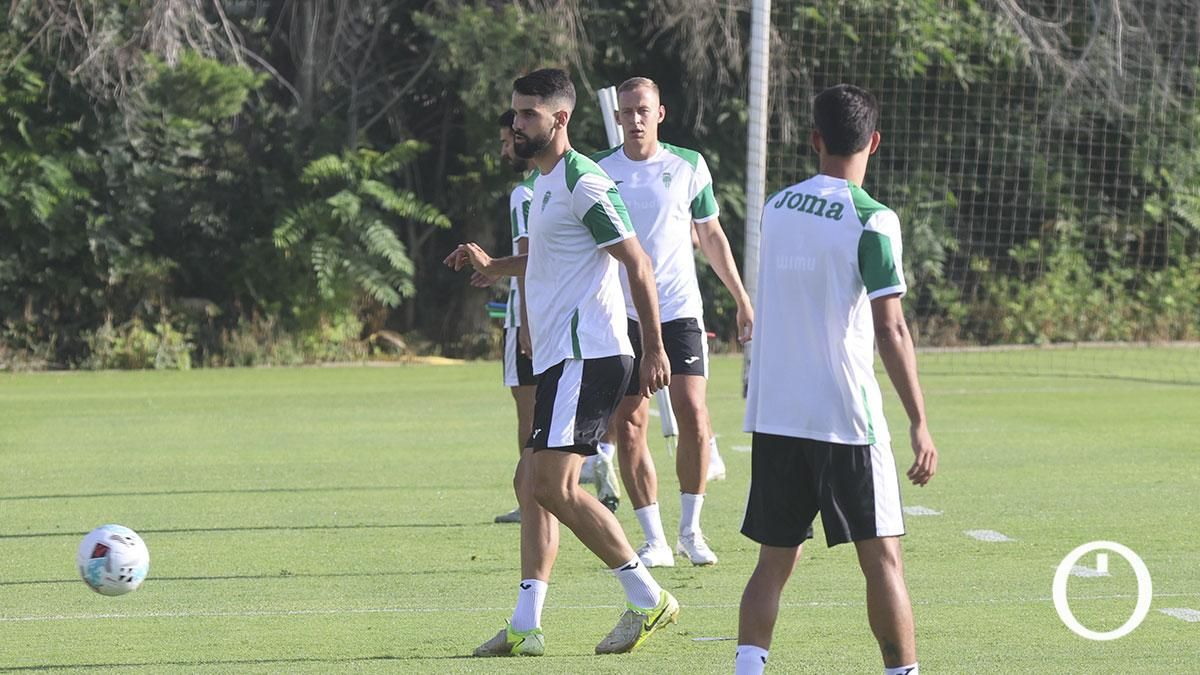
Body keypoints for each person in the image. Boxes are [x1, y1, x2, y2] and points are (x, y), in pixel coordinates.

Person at [444, 68, 679, 657]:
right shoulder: (545, 183)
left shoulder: (583, 182)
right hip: (562, 357)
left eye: (527, 114)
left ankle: (647, 598)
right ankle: (527, 623)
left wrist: (654, 347)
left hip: (589, 353)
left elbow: (638, 263)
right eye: (515, 112)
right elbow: (550, 258)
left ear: (560, 118)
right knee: (534, 483)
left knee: (549, 483)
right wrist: (496, 266)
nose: (517, 123)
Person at [735, 84, 938, 675]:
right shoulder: (873, 220)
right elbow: (891, 328)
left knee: (774, 561)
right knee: (883, 562)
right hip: (846, 418)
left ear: (816, 140)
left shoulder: (775, 208)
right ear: (873, 142)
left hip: (774, 413)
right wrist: (920, 421)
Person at [592, 77, 753, 567]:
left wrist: (742, 299)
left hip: (681, 310)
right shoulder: (599, 172)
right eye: (627, 111)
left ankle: (691, 529)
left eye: (643, 110)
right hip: (622, 315)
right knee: (631, 423)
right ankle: (654, 538)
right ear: (617, 117)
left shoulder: (688, 166)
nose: (635, 119)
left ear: (660, 113)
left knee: (694, 415)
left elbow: (711, 235)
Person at [482, 110, 622, 523]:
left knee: (534, 441)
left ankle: (644, 585)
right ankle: (533, 582)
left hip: (554, 332)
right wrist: (491, 265)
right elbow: (538, 258)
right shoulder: (544, 186)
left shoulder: (536, 191)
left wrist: (524, 320)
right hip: (559, 331)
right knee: (545, 470)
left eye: (510, 137)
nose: (507, 144)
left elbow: (531, 259)